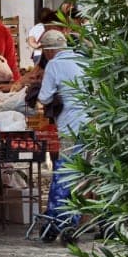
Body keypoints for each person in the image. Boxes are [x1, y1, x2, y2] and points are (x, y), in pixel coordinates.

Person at [37, 29, 89, 235]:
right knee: (89, 175)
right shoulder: (84, 60)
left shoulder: (54, 65)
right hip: (94, 125)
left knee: (66, 172)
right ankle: (105, 225)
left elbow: (45, 97)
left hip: (71, 125)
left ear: (49, 51)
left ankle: (59, 222)